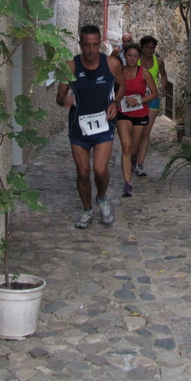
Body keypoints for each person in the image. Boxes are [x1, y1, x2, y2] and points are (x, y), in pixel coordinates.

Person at [57, 25, 126, 229]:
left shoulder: (112, 64)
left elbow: (122, 86)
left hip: (104, 124)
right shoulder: (70, 66)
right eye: (86, 45)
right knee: (83, 172)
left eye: (95, 45)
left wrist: (115, 103)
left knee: (100, 169)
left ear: (101, 44)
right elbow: (59, 98)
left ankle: (102, 197)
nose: (90, 50)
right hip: (79, 127)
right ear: (80, 44)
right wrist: (64, 99)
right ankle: (87, 210)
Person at [115, 43, 158, 198]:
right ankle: (128, 184)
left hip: (140, 113)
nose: (132, 58)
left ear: (139, 58)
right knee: (126, 147)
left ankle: (134, 159)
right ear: (125, 56)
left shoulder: (144, 73)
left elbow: (154, 93)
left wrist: (138, 101)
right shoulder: (119, 72)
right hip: (123, 113)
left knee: (133, 148)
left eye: (135, 56)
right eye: (129, 55)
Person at [134, 35, 167, 177]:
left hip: (152, 100)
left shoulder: (158, 62)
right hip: (137, 99)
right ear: (142, 48)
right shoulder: (136, 61)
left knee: (146, 131)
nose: (150, 50)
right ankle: (132, 157)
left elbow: (163, 75)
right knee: (136, 132)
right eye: (147, 47)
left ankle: (140, 164)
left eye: (152, 47)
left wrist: (164, 87)